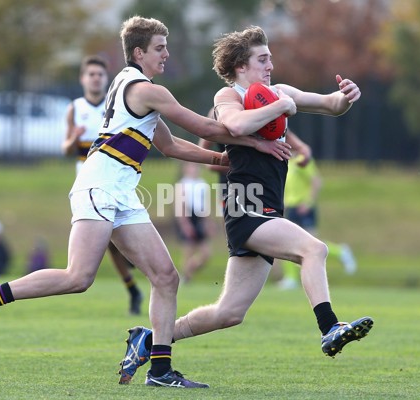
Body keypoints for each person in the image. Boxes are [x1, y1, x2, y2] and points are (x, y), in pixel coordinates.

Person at [0, 16, 286, 389]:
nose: (166, 54)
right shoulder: (146, 90)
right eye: (160, 48)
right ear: (139, 52)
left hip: (121, 191)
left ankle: (160, 371)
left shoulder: (128, 85)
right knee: (78, 277)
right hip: (100, 185)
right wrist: (256, 143)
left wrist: (222, 160)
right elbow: (207, 128)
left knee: (166, 277)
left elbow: (171, 146)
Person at [118, 25, 374, 384]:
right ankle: (330, 327)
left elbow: (331, 105)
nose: (270, 65)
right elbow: (235, 126)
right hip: (245, 207)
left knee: (229, 312)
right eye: (262, 59)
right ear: (241, 66)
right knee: (314, 249)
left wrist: (347, 95)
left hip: (268, 207)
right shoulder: (229, 96)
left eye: (270, 58)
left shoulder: (279, 92)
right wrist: (282, 107)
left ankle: (152, 340)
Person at [62, 54, 143, 315]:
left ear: (106, 79)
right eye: (91, 74)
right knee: (106, 242)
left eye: (100, 74)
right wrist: (73, 140)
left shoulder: (114, 105)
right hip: (88, 185)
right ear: (83, 79)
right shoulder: (75, 108)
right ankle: (132, 286)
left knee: (109, 238)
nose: (96, 78)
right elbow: (65, 149)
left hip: (113, 182)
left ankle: (132, 284)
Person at [276, 153, 357, 290]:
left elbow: (316, 181)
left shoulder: (302, 159)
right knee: (286, 242)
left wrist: (308, 202)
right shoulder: (287, 162)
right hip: (291, 207)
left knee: (312, 243)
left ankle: (341, 251)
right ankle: (291, 278)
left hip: (303, 208)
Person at [174, 161, 213, 284]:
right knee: (188, 251)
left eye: (196, 167)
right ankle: (185, 279)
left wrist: (208, 223)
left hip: (199, 218)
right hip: (189, 218)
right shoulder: (182, 184)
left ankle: (187, 271)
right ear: (185, 169)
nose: (194, 169)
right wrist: (185, 224)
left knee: (206, 254)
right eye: (191, 166)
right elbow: (180, 206)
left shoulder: (202, 184)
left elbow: (205, 206)